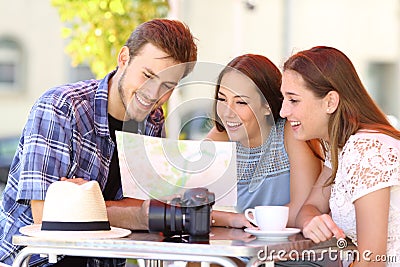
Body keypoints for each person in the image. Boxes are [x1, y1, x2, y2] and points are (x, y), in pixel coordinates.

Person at [0, 18, 197, 266]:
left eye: (167, 85)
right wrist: (131, 213)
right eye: (147, 75)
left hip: (104, 260)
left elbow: (147, 208)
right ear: (123, 58)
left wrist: (83, 203)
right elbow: (47, 219)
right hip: (37, 260)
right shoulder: (61, 107)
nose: (154, 94)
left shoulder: (152, 121)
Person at [280, 46, 400, 266]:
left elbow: (372, 262)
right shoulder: (341, 147)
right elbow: (309, 207)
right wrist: (311, 222)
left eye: (293, 100)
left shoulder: (366, 149)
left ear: (330, 102)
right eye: (283, 99)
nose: (283, 112)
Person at [206, 54, 322, 229]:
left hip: (292, 250)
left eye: (241, 102)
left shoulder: (290, 132)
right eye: (222, 99)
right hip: (242, 249)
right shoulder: (220, 138)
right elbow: (188, 209)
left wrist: (245, 221)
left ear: (266, 106)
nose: (228, 113)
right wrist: (232, 220)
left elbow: (303, 209)